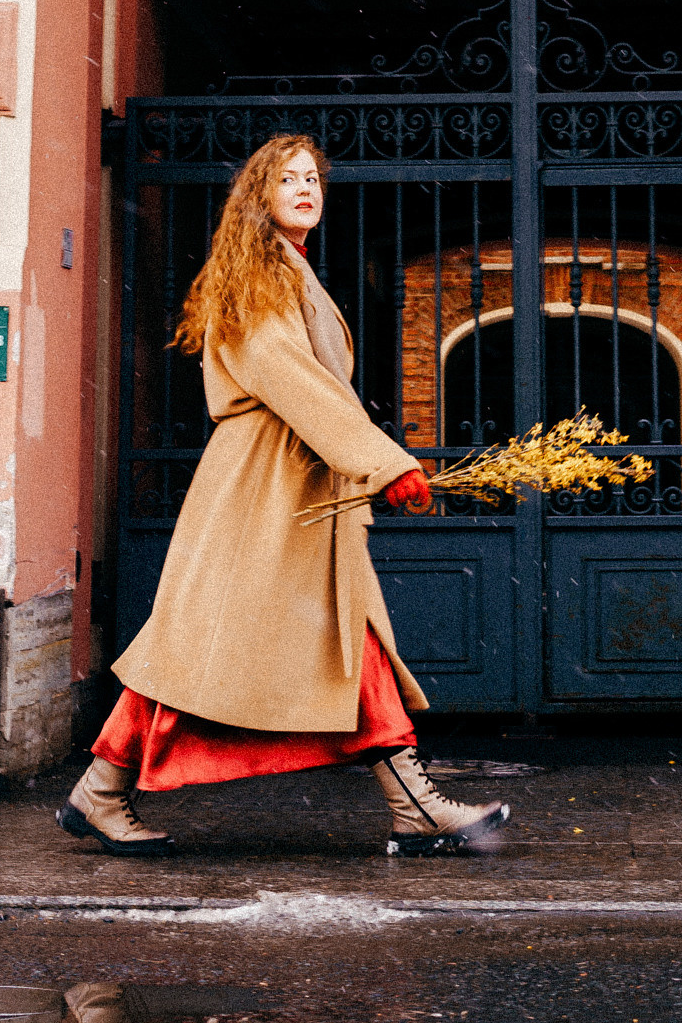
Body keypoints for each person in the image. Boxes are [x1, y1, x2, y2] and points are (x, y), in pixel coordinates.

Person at [60, 132, 510, 858]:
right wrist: (380, 460)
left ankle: (103, 793)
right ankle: (106, 792)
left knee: (313, 640)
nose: (306, 189)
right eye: (289, 179)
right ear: (260, 195)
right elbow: (287, 375)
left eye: (314, 180)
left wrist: (362, 462)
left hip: (291, 479)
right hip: (264, 482)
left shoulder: (288, 271)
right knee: (208, 644)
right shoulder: (258, 273)